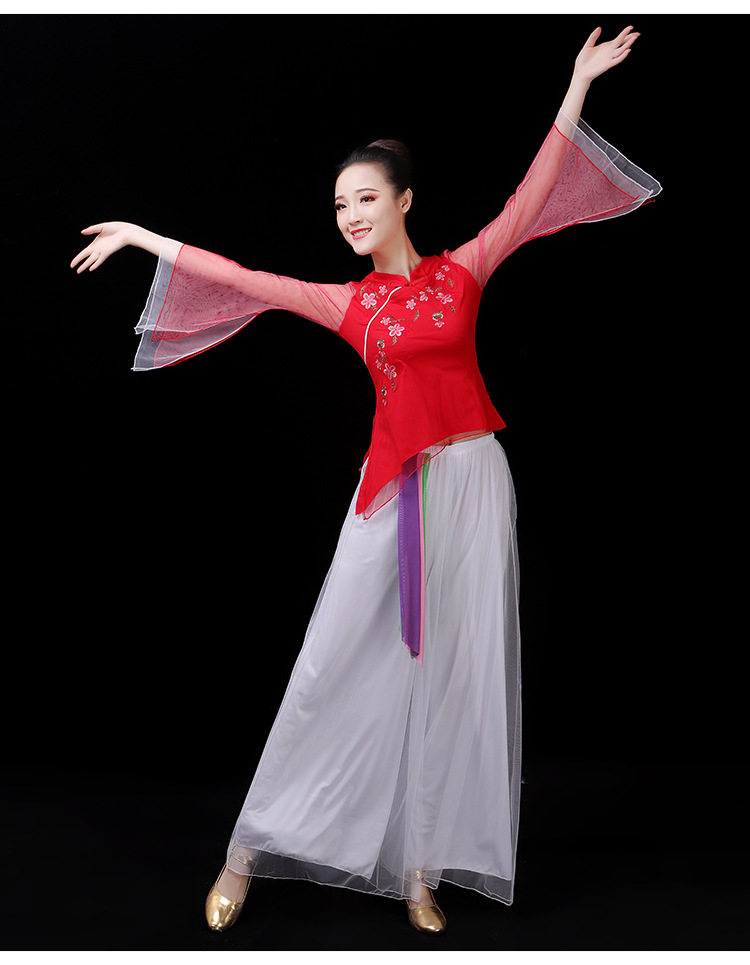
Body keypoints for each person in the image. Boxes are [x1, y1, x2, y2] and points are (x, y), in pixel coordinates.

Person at [71, 25, 661, 935]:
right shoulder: (350, 303)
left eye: (365, 198)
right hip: (393, 494)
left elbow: (536, 188)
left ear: (403, 201)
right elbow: (247, 280)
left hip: (474, 482)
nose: (349, 215)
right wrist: (146, 237)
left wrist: (578, 84)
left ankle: (418, 870)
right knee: (331, 661)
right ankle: (245, 851)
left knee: (453, 675)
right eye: (340, 204)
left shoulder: (462, 271)